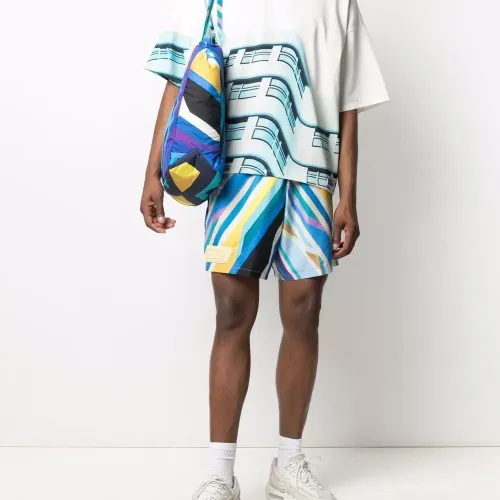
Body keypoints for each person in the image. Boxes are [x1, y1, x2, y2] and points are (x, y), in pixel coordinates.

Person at [140, 0, 389, 498]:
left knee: (304, 312)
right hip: (235, 173)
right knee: (232, 313)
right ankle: (220, 474)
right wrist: (152, 173)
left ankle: (288, 465)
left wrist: (349, 195)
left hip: (311, 173)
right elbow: (178, 80)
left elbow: (349, 100)